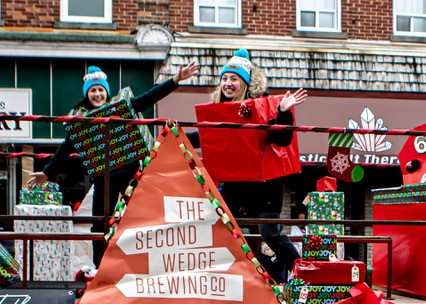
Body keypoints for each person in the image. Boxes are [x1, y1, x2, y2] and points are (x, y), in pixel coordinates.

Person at [28, 63, 199, 266]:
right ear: (87, 94)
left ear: (106, 92)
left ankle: (145, 264)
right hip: (104, 176)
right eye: (93, 90)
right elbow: (66, 148)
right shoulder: (81, 120)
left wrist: (175, 80)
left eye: (101, 90)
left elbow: (148, 98)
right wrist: (47, 173)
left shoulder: (121, 107)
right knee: (100, 222)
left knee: (142, 217)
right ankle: (100, 268)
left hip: (131, 170)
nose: (97, 94)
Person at [188, 49, 307, 283]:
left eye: (233, 79)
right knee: (221, 224)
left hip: (266, 183)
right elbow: (205, 138)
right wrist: (176, 134)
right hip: (237, 182)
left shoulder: (263, 105)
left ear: (243, 83)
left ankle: (302, 274)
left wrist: (283, 112)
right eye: (224, 79)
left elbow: (281, 139)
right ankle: (241, 276)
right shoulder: (217, 111)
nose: (227, 83)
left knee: (269, 232)